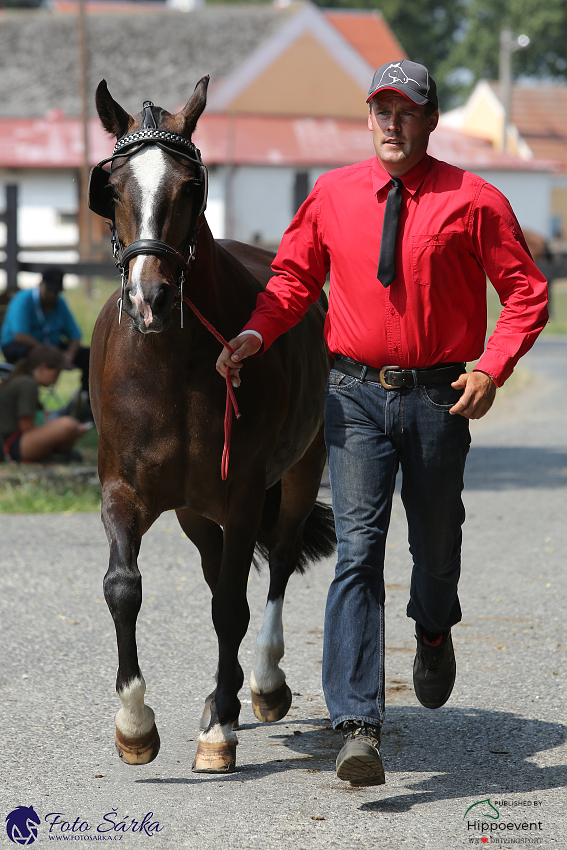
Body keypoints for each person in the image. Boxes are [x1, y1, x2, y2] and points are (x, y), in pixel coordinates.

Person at [215, 60, 548, 787]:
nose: (392, 124)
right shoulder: (331, 195)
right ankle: (358, 723)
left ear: (430, 120)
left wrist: (489, 367)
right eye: (380, 110)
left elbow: (525, 293)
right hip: (354, 396)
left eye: (406, 111)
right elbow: (293, 280)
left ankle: (433, 627)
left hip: (436, 398)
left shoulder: (476, 201)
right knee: (358, 550)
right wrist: (254, 335)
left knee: (434, 543)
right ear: (368, 119)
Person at [0, 267, 91, 412]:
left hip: (52, 348)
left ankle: (85, 403)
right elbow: (20, 335)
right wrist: (50, 352)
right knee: (29, 352)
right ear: (40, 285)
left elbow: (75, 335)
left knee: (89, 356)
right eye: (49, 290)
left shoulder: (59, 303)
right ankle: (28, 405)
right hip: (20, 346)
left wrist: (70, 354)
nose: (52, 295)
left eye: (56, 292)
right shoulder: (23, 300)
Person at [0, 344, 90, 464]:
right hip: (10, 445)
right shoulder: (27, 384)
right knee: (68, 425)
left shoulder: (23, 380)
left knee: (68, 427)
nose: (56, 380)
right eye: (55, 375)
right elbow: (26, 428)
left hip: (13, 443)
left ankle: (57, 455)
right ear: (42, 368)